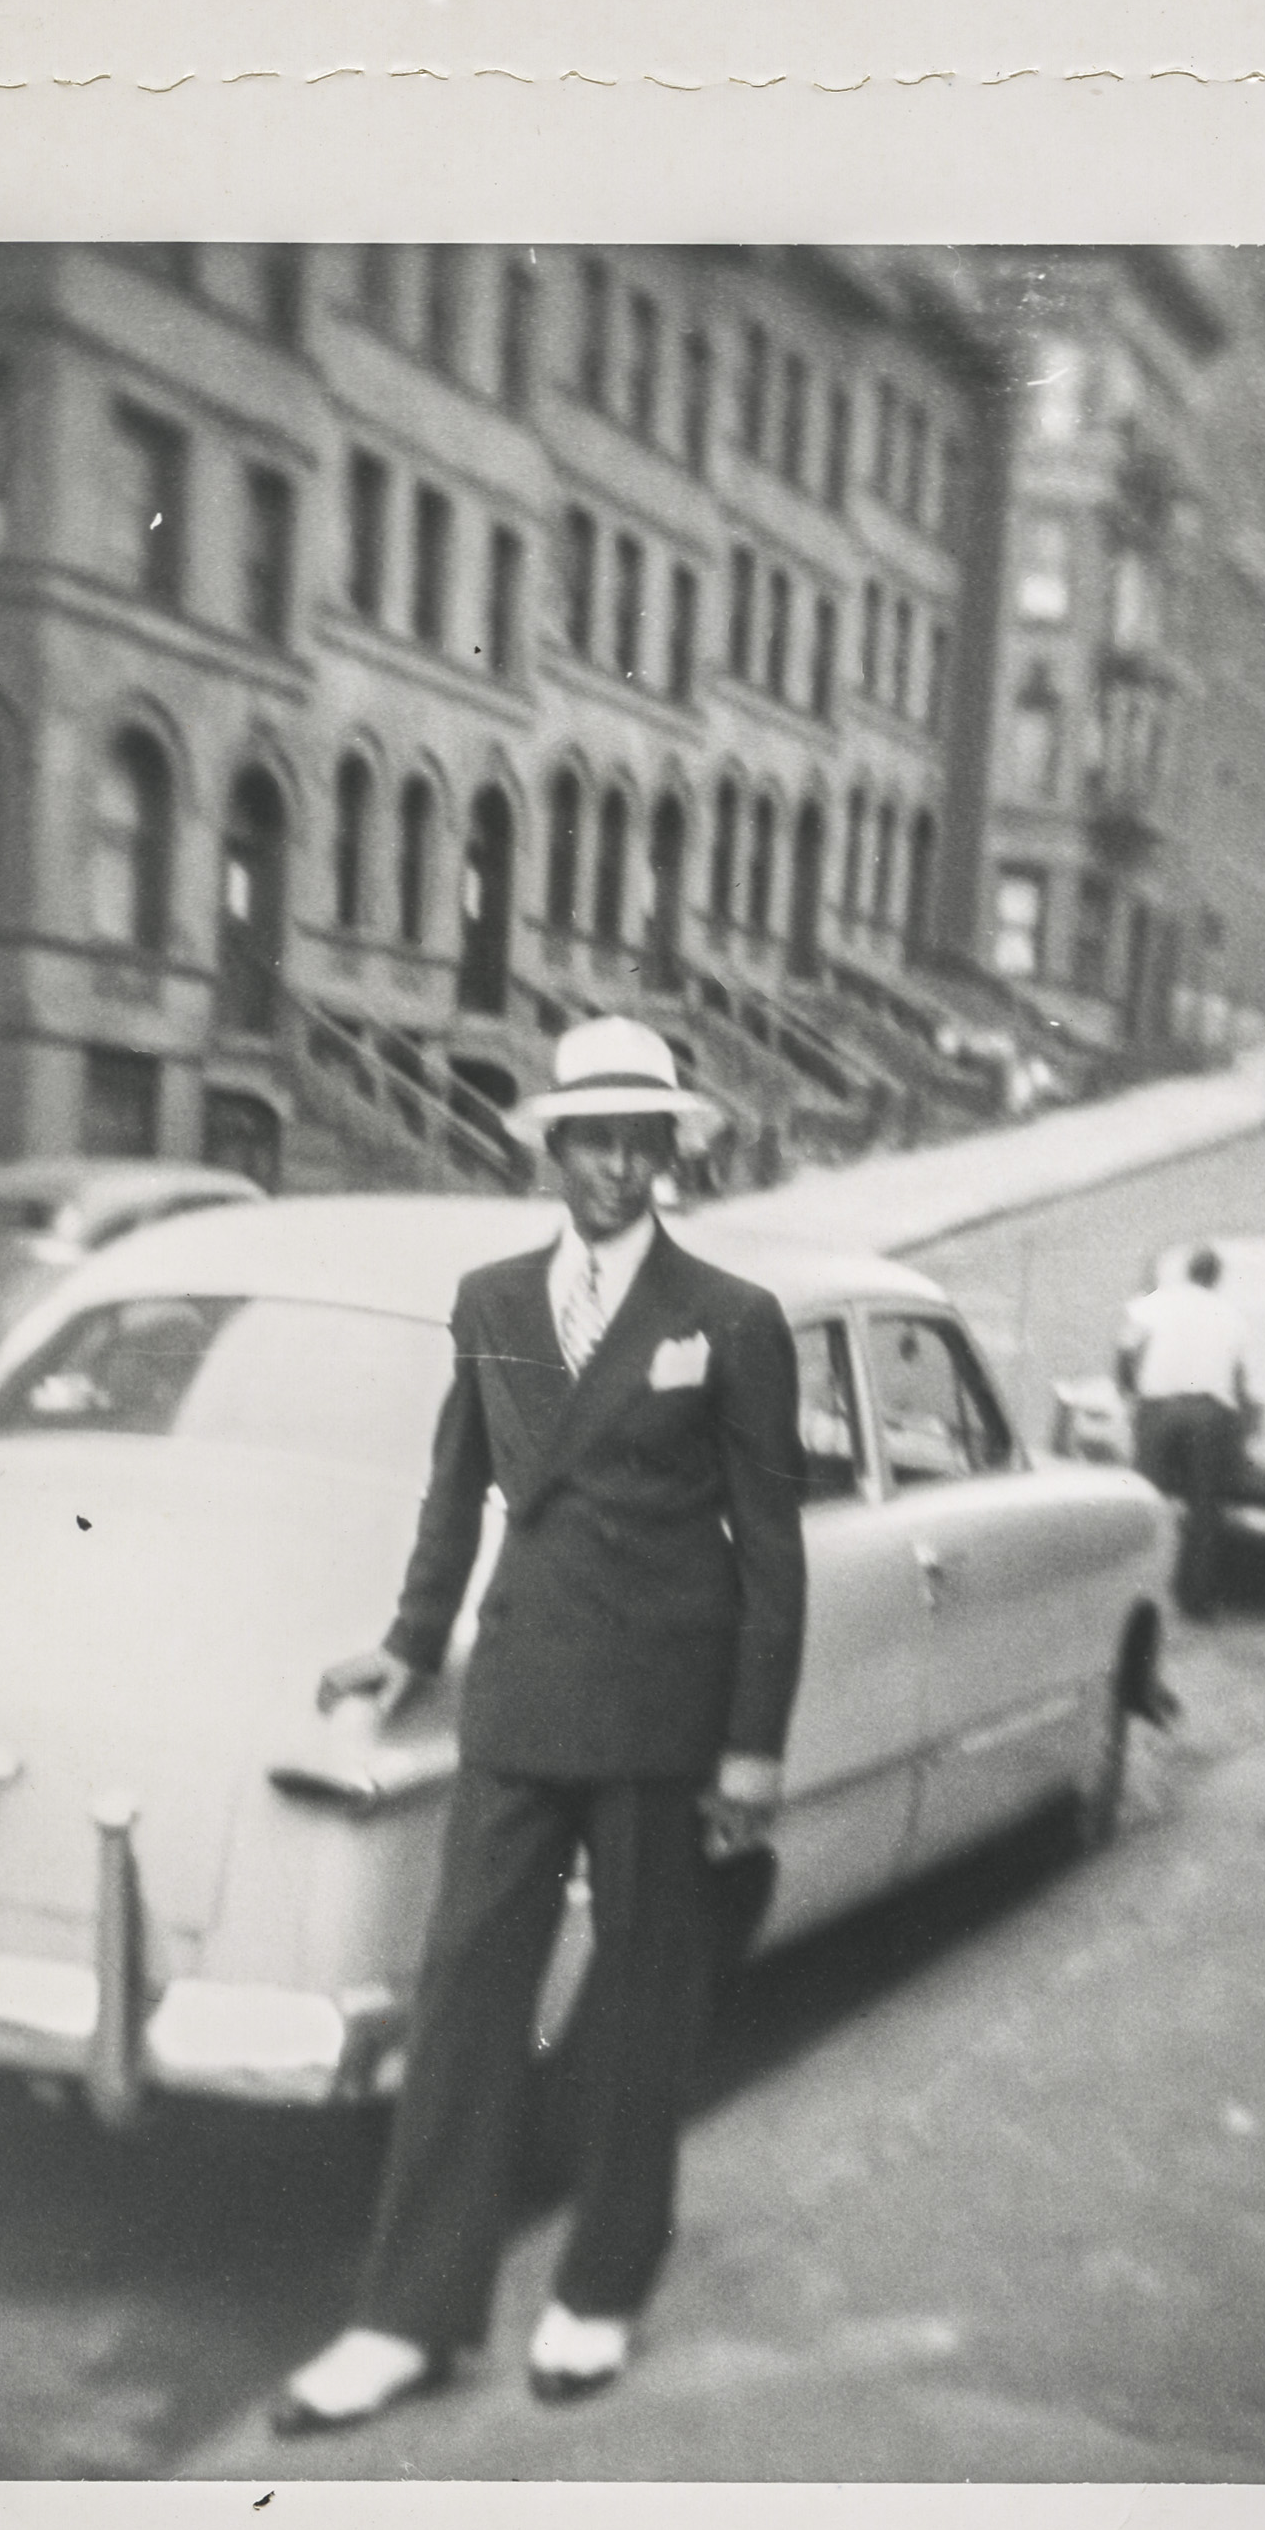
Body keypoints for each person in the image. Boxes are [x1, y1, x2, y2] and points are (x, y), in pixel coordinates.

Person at [270, 1017, 808, 2433]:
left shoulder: (731, 1318)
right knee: (462, 2001)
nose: (616, 1169)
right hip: (516, 1689)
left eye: (642, 1144)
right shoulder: (494, 1302)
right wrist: (405, 1642)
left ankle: (600, 2289)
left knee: (635, 2008)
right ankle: (409, 2319)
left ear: (669, 1156)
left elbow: (770, 1550)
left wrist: (751, 1744)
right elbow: (456, 1493)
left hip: (658, 1709)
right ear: (552, 1151)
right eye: (592, 1142)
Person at [1115, 1244, 1251, 1621]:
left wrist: (1128, 1389)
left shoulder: (1157, 1302)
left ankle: (1137, 1594)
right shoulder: (1233, 1316)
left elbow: (1126, 1349)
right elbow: (1238, 1374)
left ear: (1188, 1272)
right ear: (1216, 1278)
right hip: (1209, 1413)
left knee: (1147, 1501)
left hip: (1158, 1409)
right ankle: (1196, 1599)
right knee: (1204, 1506)